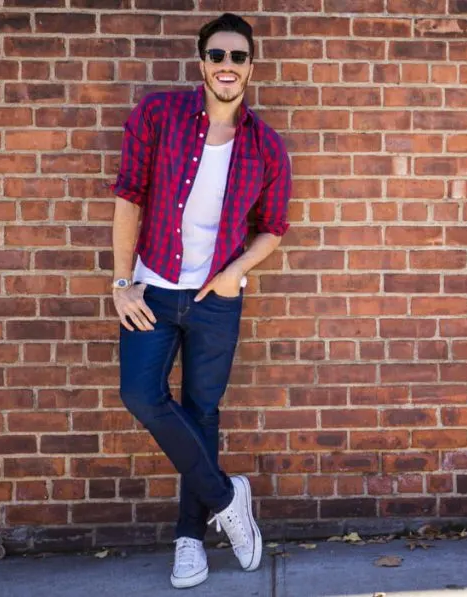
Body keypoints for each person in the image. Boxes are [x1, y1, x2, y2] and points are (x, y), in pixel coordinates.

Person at [109, 12, 291, 589]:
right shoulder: (158, 116)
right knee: (139, 393)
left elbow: (274, 227)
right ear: (202, 63)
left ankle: (190, 539)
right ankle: (226, 498)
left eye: (239, 57)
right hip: (153, 287)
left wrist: (237, 272)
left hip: (217, 297)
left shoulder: (266, 145)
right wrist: (121, 283)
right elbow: (128, 197)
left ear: (251, 67)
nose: (228, 66)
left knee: (202, 413)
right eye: (218, 56)